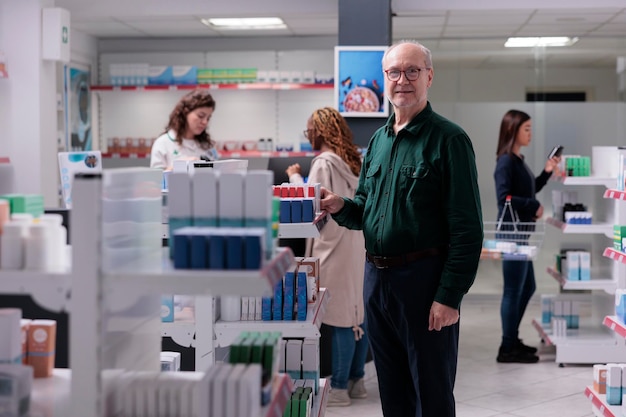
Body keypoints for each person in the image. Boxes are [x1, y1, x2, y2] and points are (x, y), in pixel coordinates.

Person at [319, 40, 483, 417]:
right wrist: (340, 205)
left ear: (429, 76)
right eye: (394, 72)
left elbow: (467, 230)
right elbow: (366, 210)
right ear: (385, 79)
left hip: (424, 283)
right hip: (376, 282)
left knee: (432, 393)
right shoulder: (378, 141)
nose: (403, 80)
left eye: (412, 71)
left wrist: (449, 296)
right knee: (392, 394)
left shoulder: (449, 140)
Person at [285, 107, 368, 407]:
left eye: (310, 129)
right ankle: (358, 381)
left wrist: (295, 177)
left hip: (330, 247)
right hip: (355, 243)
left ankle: (341, 388)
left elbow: (311, 201)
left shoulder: (323, 162)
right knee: (357, 313)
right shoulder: (354, 160)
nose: (308, 134)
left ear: (319, 131)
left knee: (338, 318)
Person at [493, 109, 560, 363]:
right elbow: (504, 198)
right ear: (513, 131)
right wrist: (534, 207)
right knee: (513, 290)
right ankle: (507, 348)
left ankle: (511, 340)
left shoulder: (517, 160)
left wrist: (546, 171)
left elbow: (528, 190)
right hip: (512, 235)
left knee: (527, 286)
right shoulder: (505, 161)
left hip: (520, 235)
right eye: (527, 129)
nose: (530, 133)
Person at [150, 89, 219, 169]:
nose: (205, 122)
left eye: (208, 118)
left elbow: (216, 175)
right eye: (200, 116)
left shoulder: (208, 146)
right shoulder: (163, 143)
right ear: (185, 112)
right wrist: (178, 167)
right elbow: (156, 178)